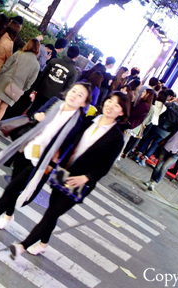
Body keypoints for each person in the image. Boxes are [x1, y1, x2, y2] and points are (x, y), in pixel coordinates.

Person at [8, 91, 130, 259]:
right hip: (63, 173)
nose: (110, 106)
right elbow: (69, 141)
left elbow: (105, 167)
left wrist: (86, 178)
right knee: (52, 211)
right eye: (110, 101)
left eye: (116, 105)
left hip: (80, 183)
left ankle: (22, 246)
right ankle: (43, 243)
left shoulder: (117, 138)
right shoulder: (89, 121)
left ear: (121, 112)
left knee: (52, 213)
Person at [0, 83, 90, 235]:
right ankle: (8, 215)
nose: (74, 95)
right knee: (13, 187)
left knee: (11, 189)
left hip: (41, 161)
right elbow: (33, 116)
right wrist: (36, 116)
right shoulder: (54, 103)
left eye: (80, 95)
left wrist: (52, 164)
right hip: (26, 149)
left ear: (84, 103)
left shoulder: (77, 122)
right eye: (74, 91)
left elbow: (68, 147)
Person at [0, 38, 41, 131]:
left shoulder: (19, 54)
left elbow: (5, 66)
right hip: (17, 87)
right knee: (3, 108)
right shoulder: (36, 65)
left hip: (5, 80)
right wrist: (23, 89)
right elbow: (31, 81)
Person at [143, 111, 178, 191]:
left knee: (164, 167)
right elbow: (169, 129)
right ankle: (151, 180)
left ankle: (154, 183)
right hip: (166, 147)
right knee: (158, 166)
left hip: (176, 152)